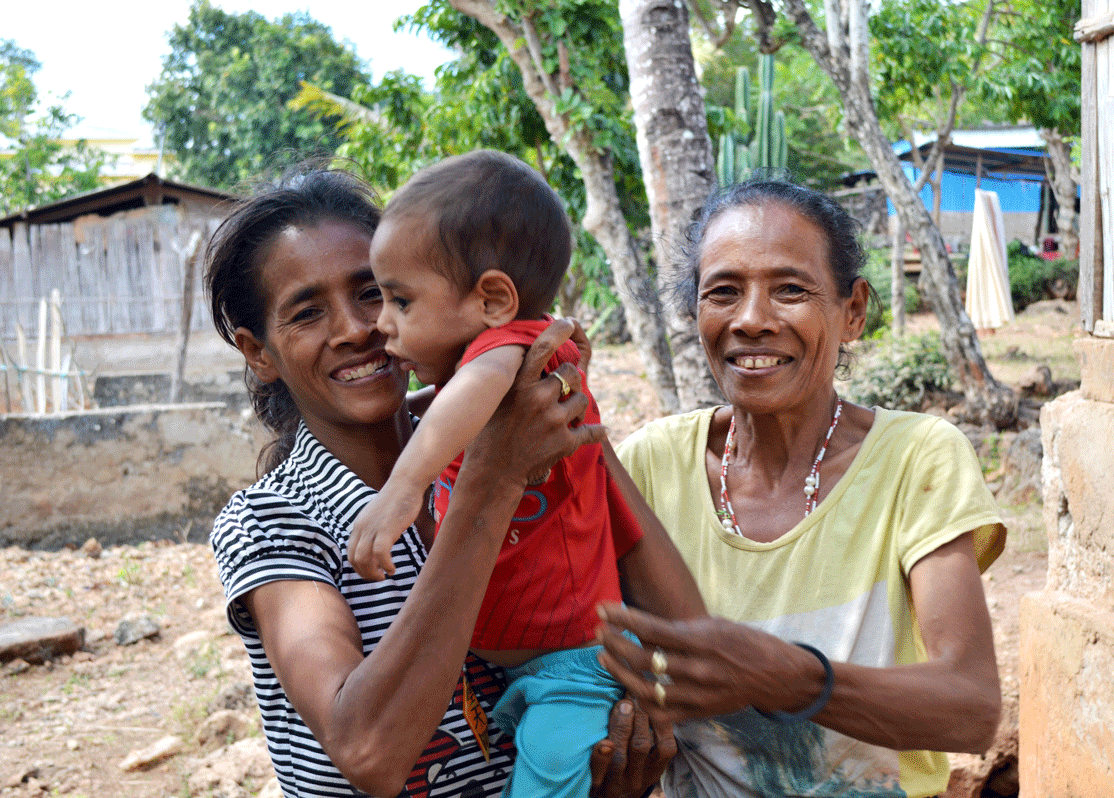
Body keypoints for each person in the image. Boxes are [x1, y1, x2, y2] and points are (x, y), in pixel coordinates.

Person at [204, 167, 676, 798]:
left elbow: (668, 620)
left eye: (377, 293)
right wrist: (492, 480)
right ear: (259, 352)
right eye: (307, 312)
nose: (357, 328)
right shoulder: (274, 522)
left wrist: (567, 416)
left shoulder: (511, 433)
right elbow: (368, 753)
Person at [595, 175, 1007, 798]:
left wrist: (791, 681)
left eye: (790, 290)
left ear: (854, 312)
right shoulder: (651, 464)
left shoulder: (915, 459)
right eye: (723, 292)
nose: (752, 320)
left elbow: (970, 707)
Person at [348, 149, 706, 798]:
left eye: (399, 300)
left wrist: (404, 485)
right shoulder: (496, 379)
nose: (381, 324)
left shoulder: (514, 353)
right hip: (532, 667)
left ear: (492, 299)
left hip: (571, 667)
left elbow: (465, 397)